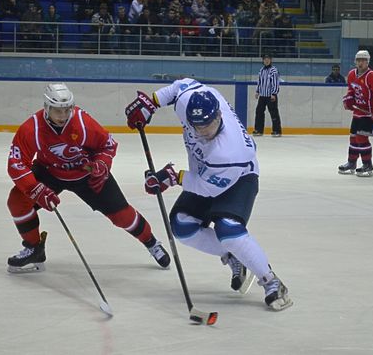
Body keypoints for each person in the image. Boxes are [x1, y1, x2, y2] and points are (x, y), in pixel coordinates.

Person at [124, 79, 293, 311]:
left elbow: (207, 189)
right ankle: (233, 256)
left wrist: (172, 177)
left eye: (210, 124)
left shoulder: (230, 151)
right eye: (198, 126)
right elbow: (180, 86)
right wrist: (152, 103)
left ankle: (271, 281)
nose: (204, 131)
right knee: (182, 226)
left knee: (229, 230)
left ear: (219, 116)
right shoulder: (189, 103)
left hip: (240, 177)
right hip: (205, 172)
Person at [6, 83, 171, 273]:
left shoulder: (83, 122)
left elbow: (108, 145)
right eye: (57, 111)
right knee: (17, 201)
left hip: (87, 173)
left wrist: (102, 164)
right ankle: (34, 248)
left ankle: (150, 242)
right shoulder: (32, 128)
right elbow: (16, 163)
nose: (63, 116)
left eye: (67, 110)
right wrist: (35, 188)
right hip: (49, 171)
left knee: (122, 216)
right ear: (46, 107)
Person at [338, 50, 373, 177]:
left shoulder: (372, 76)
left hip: (370, 113)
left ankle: (367, 165)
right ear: (355, 61)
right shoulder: (351, 74)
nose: (360, 63)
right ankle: (351, 163)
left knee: (362, 137)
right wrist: (349, 99)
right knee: (353, 137)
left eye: (363, 60)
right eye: (358, 60)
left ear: (367, 62)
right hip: (358, 112)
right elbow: (351, 90)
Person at [254, 54, 282, 137]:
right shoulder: (261, 70)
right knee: (259, 112)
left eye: (268, 59)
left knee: (273, 113)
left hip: (270, 96)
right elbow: (260, 82)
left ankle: (277, 130)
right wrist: (257, 91)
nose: (266, 60)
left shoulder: (274, 70)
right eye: (265, 59)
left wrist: (274, 93)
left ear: (271, 60)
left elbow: (275, 83)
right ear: (263, 60)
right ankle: (259, 130)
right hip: (262, 95)